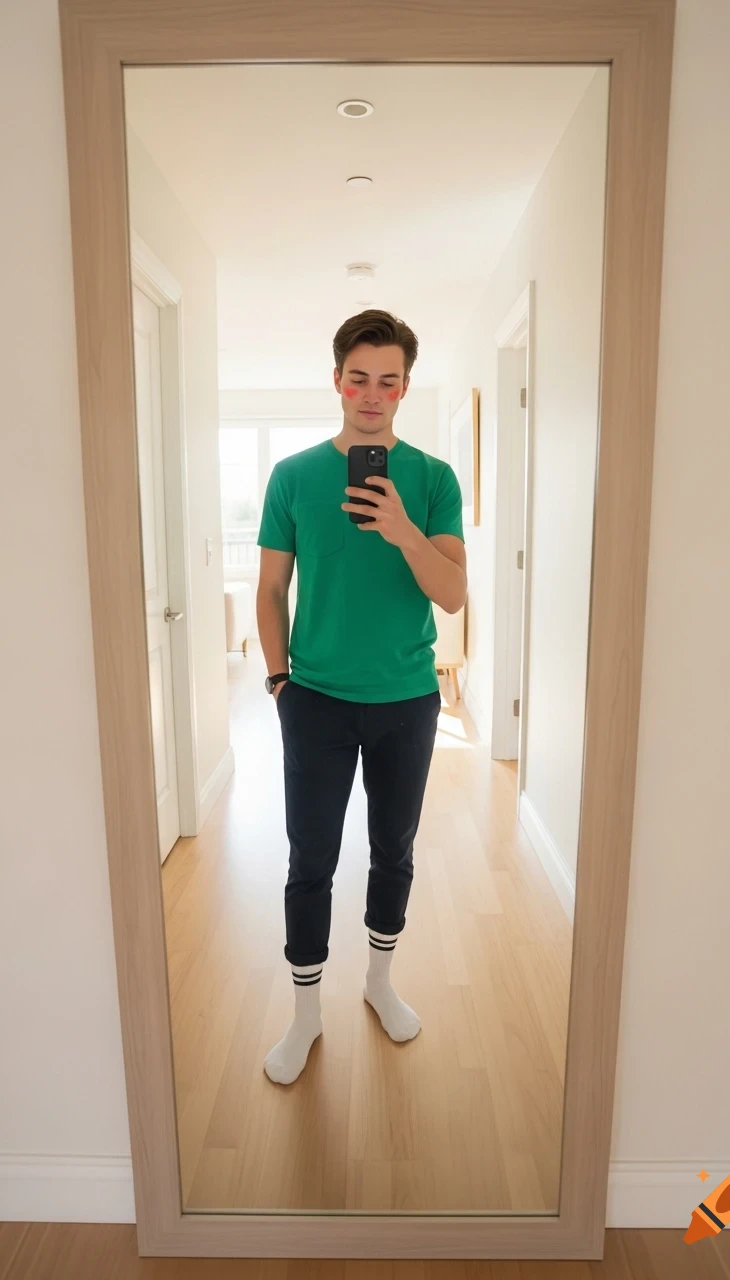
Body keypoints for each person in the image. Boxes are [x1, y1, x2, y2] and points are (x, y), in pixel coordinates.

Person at [255, 309, 467, 1085]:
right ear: (337, 381)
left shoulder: (434, 480)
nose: (372, 394)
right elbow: (271, 589)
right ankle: (305, 1013)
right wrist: (278, 681)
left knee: (393, 850)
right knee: (309, 857)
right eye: (359, 378)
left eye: (388, 381)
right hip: (312, 698)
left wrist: (405, 530)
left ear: (404, 388)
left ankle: (379, 982)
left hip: (407, 700)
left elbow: (452, 595)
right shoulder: (293, 477)